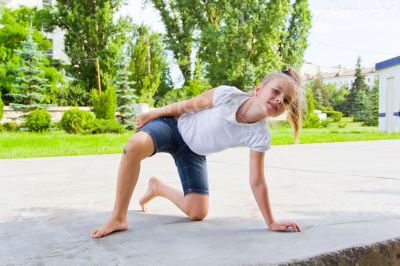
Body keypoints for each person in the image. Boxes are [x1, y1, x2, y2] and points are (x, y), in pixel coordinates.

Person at [90, 68, 304, 238]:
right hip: (173, 128)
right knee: (134, 145)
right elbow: (188, 104)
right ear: (259, 89)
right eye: (276, 91)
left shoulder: (260, 135)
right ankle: (118, 217)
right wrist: (155, 113)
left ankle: (157, 187)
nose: (279, 100)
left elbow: (257, 181)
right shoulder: (227, 95)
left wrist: (271, 222)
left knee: (198, 212)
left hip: (193, 153)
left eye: (286, 101)